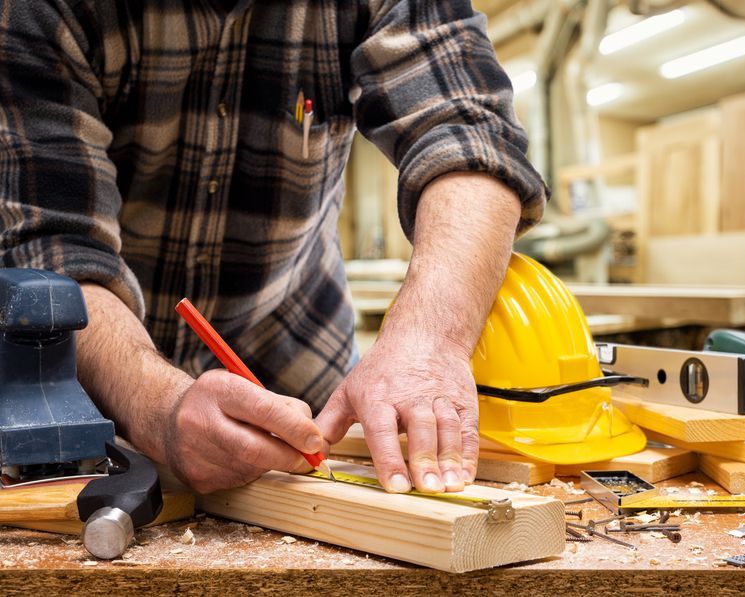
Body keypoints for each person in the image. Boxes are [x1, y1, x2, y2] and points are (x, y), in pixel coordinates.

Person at [0, 1, 546, 495]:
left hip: (299, 369)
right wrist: (158, 405)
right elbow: (55, 253)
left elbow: (473, 135)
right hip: (88, 393)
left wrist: (429, 340)